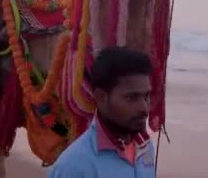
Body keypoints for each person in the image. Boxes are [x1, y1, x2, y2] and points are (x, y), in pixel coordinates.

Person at [48, 46, 157, 178]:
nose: (144, 108)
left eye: (146, 96)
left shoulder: (146, 148)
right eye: (131, 97)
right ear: (101, 97)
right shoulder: (74, 166)